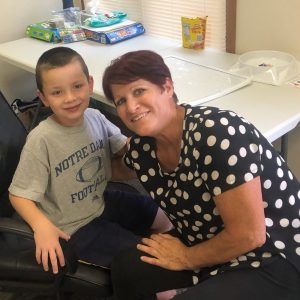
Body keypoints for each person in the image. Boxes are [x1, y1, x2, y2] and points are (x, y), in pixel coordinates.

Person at [102, 50, 300, 300]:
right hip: (205, 238)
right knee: (128, 268)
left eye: (139, 91)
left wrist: (186, 258)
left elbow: (250, 235)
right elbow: (116, 169)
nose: (131, 106)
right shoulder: (143, 146)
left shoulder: (218, 133)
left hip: (273, 252)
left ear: (167, 86)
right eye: (120, 101)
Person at [8, 47, 172, 275]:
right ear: (43, 98)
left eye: (77, 86)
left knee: (163, 214)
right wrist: (41, 227)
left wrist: (157, 140)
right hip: (72, 226)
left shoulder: (95, 117)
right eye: (57, 92)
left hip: (99, 199)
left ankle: (175, 258)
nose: (70, 98)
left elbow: (125, 148)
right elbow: (18, 194)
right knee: (143, 263)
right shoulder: (41, 139)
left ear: (90, 84)